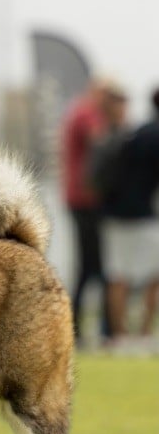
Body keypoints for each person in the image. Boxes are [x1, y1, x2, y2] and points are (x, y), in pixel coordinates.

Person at [60, 75, 127, 344]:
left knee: (91, 266)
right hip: (85, 201)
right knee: (93, 267)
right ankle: (94, 328)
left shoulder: (80, 112)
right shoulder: (88, 115)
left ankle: (86, 327)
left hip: (81, 200)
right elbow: (102, 142)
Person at [101, 86, 159, 348]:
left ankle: (121, 335)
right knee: (153, 276)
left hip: (115, 213)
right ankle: (145, 334)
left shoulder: (136, 133)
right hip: (145, 215)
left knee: (118, 275)